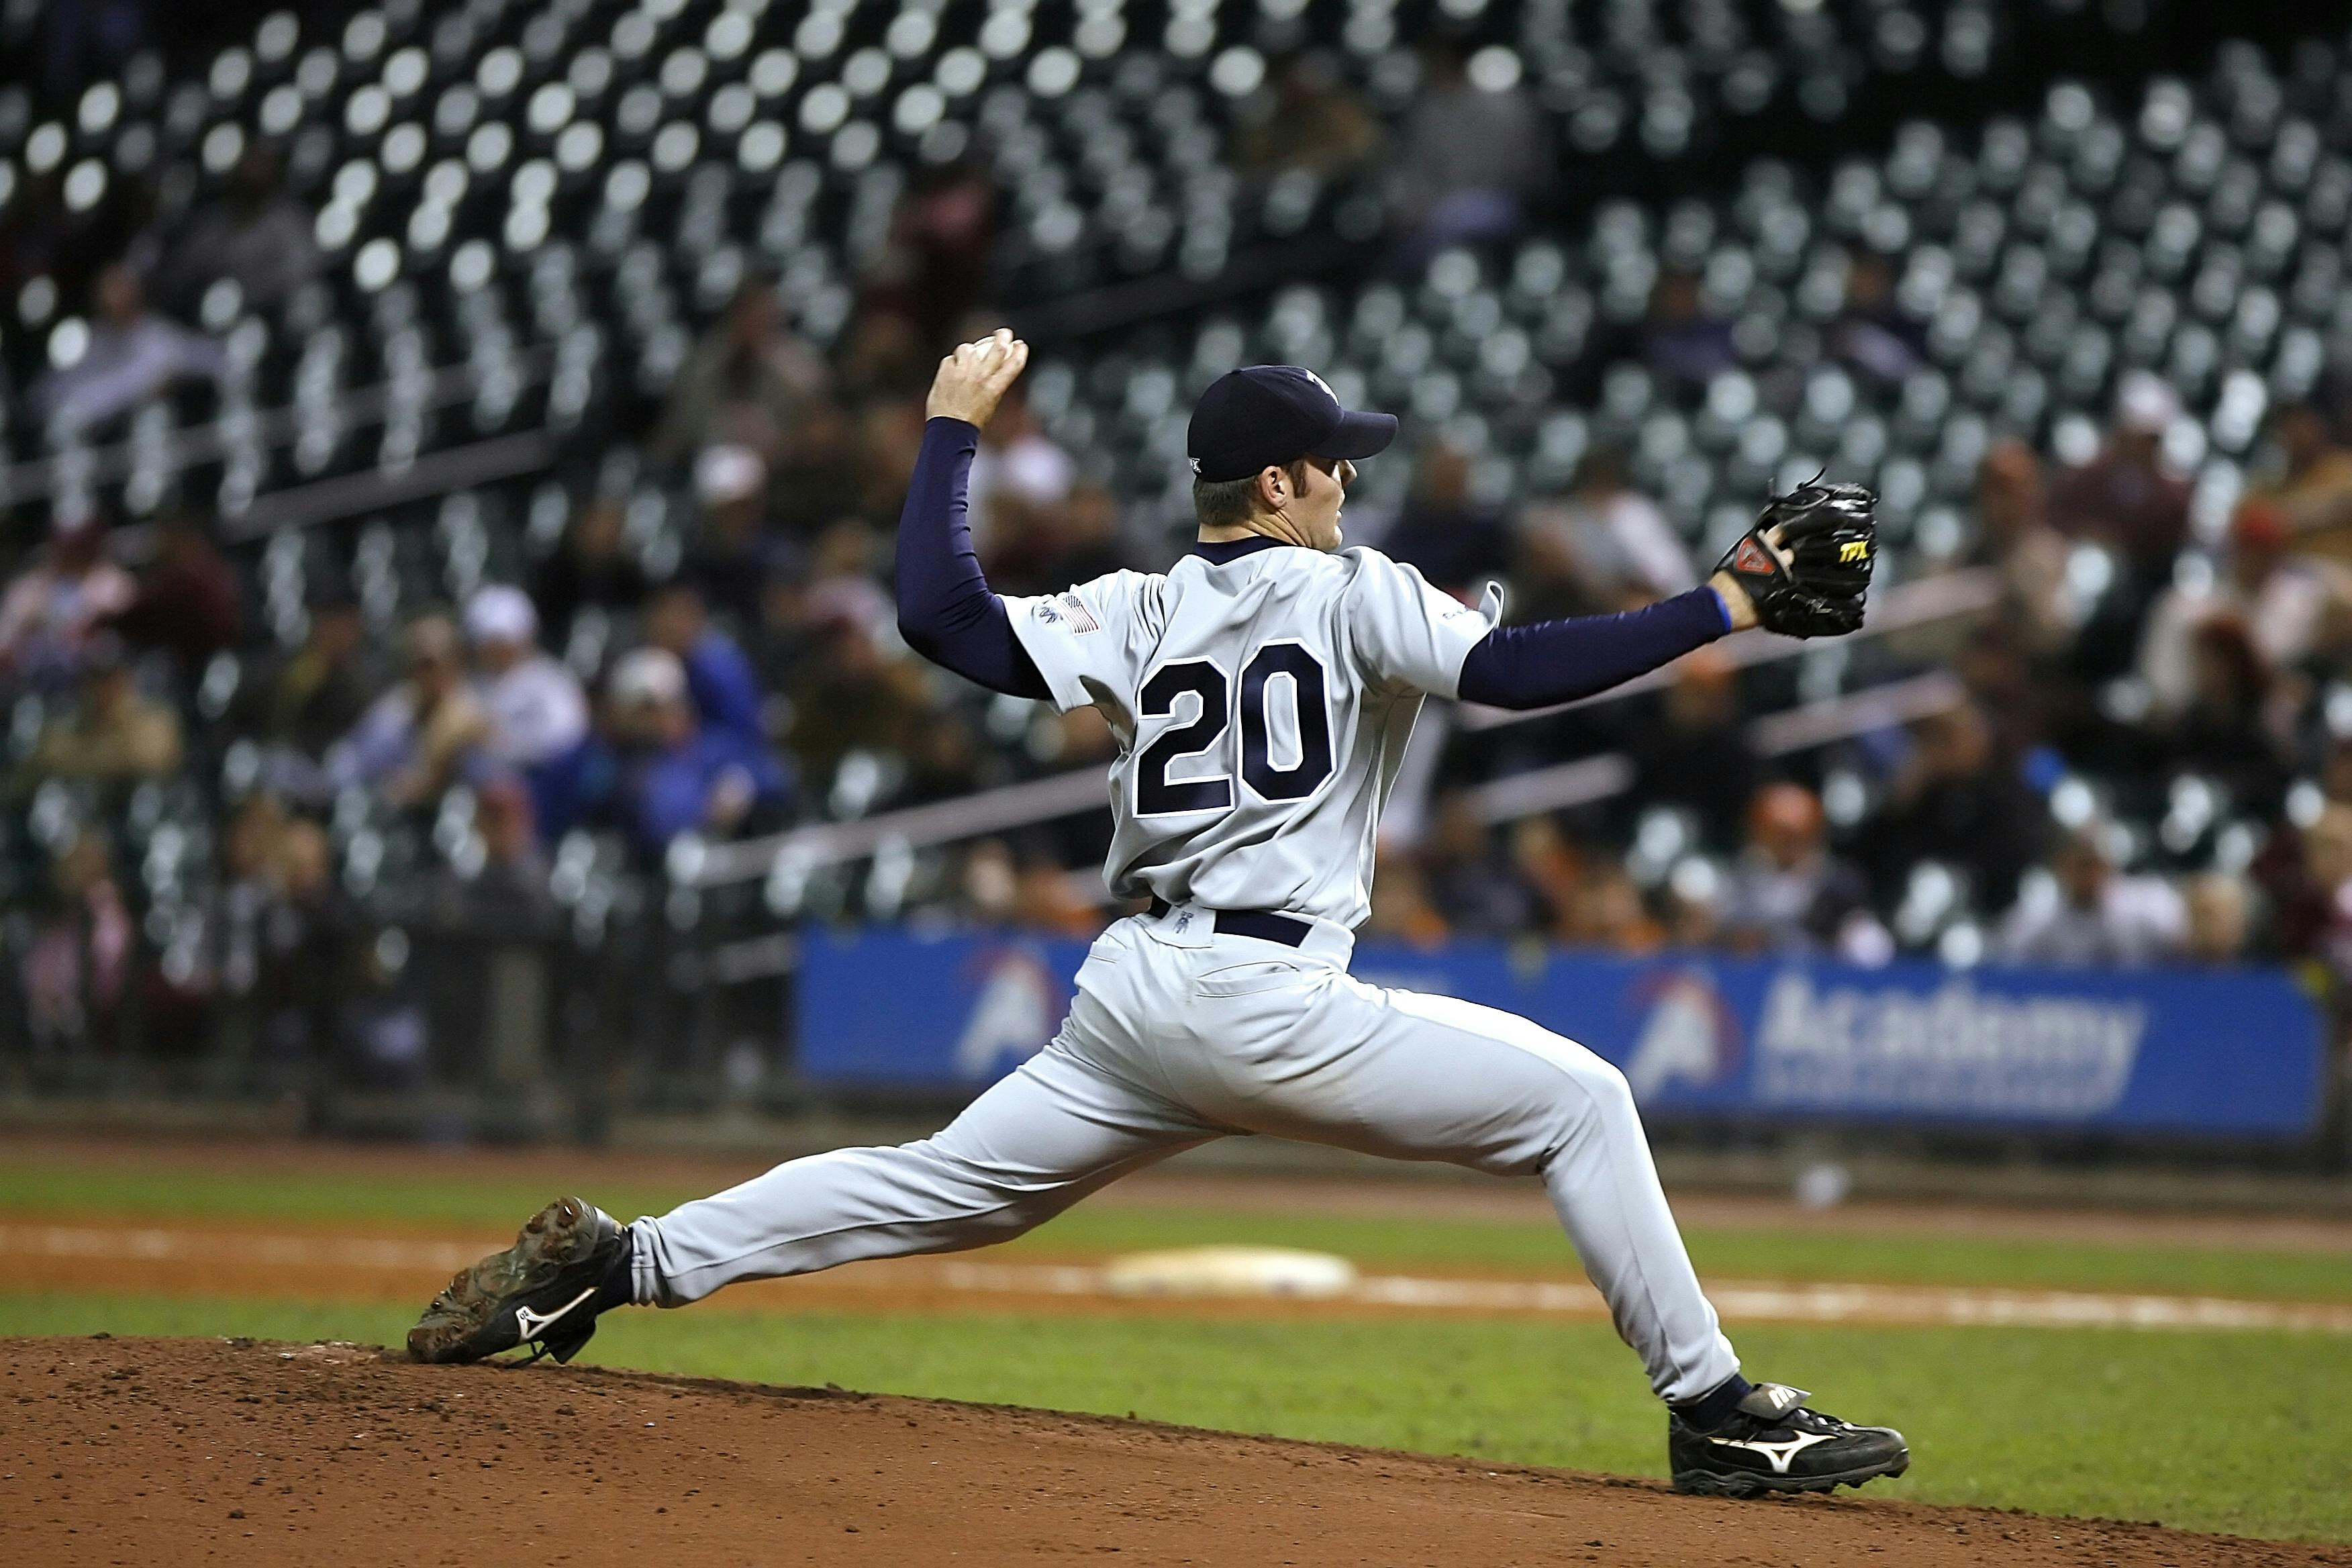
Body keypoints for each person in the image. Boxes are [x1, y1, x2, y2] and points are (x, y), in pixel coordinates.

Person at [411, 334, 1905, 1500]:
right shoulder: (1349, 590)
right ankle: (1717, 1415)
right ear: (1277, 487)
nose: (1345, 486)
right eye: (1330, 468)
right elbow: (1513, 677)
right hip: (1269, 999)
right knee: (1582, 1100)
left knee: (941, 1184)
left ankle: (626, 1262)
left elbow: (937, 614)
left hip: (1136, 995)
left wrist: (951, 426)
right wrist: (1734, 599)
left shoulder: (1135, 607)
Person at [602, 646, 793, 862]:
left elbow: (777, 777)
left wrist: (746, 785)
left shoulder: (717, 744)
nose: (659, 718)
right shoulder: (626, 771)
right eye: (646, 711)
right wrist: (708, 812)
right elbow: (657, 822)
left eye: (665, 704)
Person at [32, 262, 227, 438]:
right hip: (92, 437)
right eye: (107, 291)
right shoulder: (90, 339)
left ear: (136, 293)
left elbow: (209, 359)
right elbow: (46, 393)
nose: (113, 299)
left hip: (146, 433)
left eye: (120, 290)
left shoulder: (157, 336)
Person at [464, 585, 591, 838]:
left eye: (504, 641)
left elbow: (566, 738)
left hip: (538, 788)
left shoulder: (549, 680)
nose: (497, 650)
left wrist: (499, 741)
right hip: (478, 791)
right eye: (489, 642)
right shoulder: (469, 686)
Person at [1717, 784, 1890, 962]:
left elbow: (1871, 947)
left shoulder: (1839, 882)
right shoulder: (1742, 874)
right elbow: (1727, 930)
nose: (1788, 845)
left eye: (1797, 837)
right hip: (1754, 972)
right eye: (1778, 836)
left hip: (1821, 970)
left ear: (1814, 835)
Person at [156, 142, 323, 315]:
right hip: (206, 315)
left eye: (261, 165)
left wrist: (250, 292)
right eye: (249, 164)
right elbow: (183, 268)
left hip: (266, 315)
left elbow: (301, 272)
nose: (253, 172)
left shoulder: (289, 221)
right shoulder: (215, 219)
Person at [1996, 826, 2186, 967]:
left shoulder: (2147, 906)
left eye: (2095, 864)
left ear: (2109, 865)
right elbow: (2009, 968)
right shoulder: (2035, 917)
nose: (2088, 876)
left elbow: (2185, 951)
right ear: (2060, 867)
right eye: (2080, 866)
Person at [0, 510, 136, 688]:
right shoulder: (30, 587)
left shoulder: (114, 584)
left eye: (81, 549)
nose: (73, 556)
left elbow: (126, 638)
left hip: (99, 683)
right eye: (68, 549)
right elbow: (5, 644)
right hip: (37, 686)